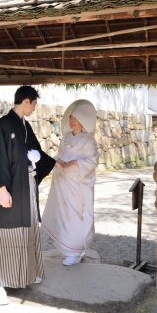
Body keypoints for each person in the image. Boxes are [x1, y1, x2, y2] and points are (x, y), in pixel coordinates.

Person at [0, 85, 56, 305]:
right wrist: (1, 189)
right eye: (34, 104)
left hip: (27, 187)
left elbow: (35, 152)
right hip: (11, 189)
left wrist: (48, 161)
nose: (34, 109)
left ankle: (25, 273)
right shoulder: (4, 125)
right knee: (6, 233)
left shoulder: (24, 126)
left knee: (28, 228)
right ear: (26, 101)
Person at [41, 99, 98, 266]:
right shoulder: (65, 137)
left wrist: (75, 163)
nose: (72, 121)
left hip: (78, 184)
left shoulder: (88, 141)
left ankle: (76, 249)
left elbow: (93, 161)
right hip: (63, 183)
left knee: (75, 215)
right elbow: (60, 155)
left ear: (83, 121)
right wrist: (58, 162)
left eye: (75, 118)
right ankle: (66, 248)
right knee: (63, 213)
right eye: (70, 118)